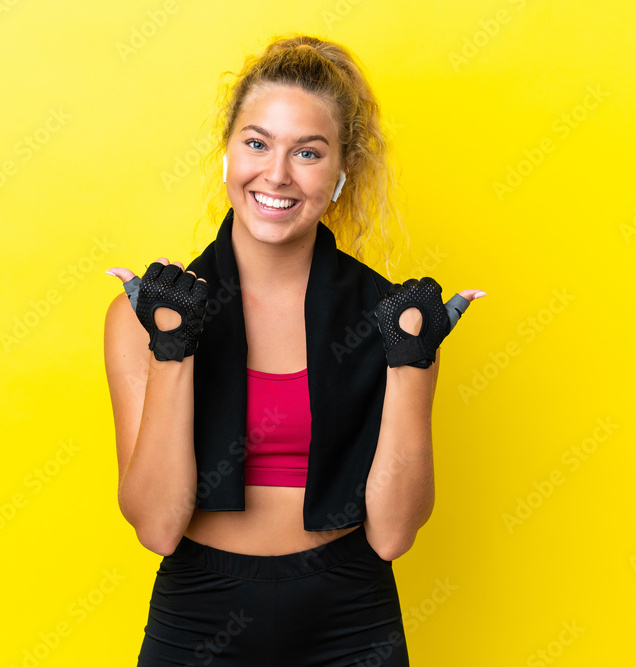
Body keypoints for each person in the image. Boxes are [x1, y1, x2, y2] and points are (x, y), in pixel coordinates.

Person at [104, 33, 485, 667]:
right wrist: (174, 348)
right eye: (256, 143)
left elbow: (392, 536)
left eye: (307, 153)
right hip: (198, 615)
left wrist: (411, 363)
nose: (276, 174)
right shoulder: (145, 315)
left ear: (340, 175)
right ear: (226, 154)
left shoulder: (393, 318)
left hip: (351, 617)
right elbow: (156, 528)